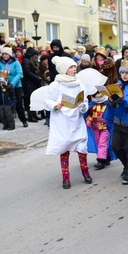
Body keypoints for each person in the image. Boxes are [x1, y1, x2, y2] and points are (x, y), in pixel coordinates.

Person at [44, 56, 91, 189]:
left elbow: (85, 102)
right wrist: (55, 105)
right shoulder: (56, 85)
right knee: (64, 149)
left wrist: (83, 107)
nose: (74, 69)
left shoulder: (79, 84)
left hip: (76, 120)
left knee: (82, 147)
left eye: (74, 66)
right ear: (64, 69)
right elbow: (47, 101)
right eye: (71, 67)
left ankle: (85, 172)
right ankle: (66, 177)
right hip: (62, 121)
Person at [0, 47, 28, 127]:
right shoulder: (0, 64)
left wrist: (13, 83)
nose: (4, 56)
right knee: (6, 105)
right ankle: (7, 123)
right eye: (3, 54)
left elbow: (19, 73)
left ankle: (23, 120)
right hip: (4, 86)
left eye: (6, 54)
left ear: (10, 55)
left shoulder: (15, 63)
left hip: (16, 86)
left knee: (18, 104)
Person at [85, 89, 112, 170]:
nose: (99, 95)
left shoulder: (107, 104)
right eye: (97, 93)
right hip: (95, 127)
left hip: (105, 127)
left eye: (100, 93)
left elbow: (111, 114)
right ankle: (106, 156)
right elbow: (89, 114)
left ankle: (100, 160)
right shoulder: (92, 105)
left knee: (102, 142)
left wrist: (107, 119)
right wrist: (89, 120)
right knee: (98, 142)